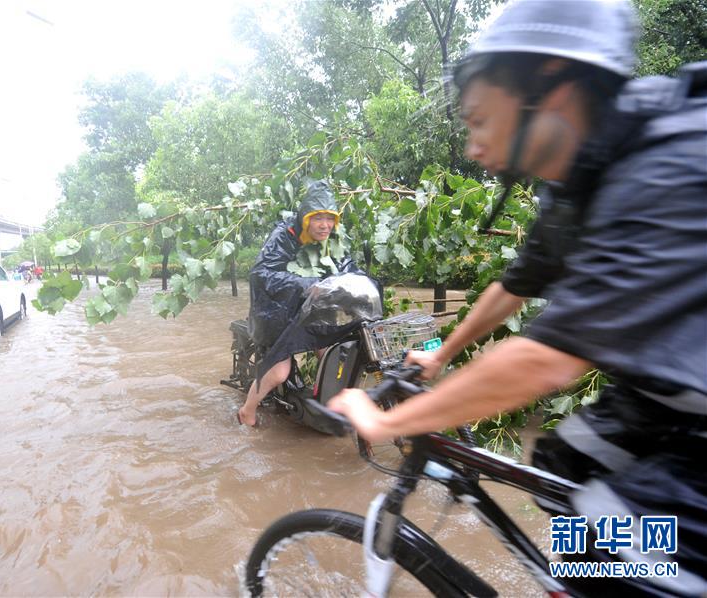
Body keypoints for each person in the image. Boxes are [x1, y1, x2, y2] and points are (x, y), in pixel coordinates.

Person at [329, 0, 706, 592]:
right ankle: (580, 580)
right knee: (561, 465)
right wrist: (442, 353)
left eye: (478, 120)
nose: (472, 147)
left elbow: (546, 361)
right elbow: (514, 286)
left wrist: (387, 421)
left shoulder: (665, 168)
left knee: (620, 537)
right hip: (668, 396)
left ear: (549, 83)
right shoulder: (579, 180)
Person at [238, 180, 364, 427]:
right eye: (318, 218)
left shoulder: (332, 239)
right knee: (279, 372)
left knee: (332, 353)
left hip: (311, 309)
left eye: (330, 218)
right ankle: (247, 410)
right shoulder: (284, 236)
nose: (325, 225)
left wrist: (359, 282)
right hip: (276, 312)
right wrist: (306, 284)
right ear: (306, 217)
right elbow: (261, 274)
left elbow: (348, 266)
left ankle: (326, 405)